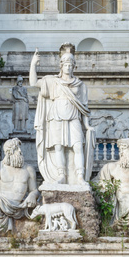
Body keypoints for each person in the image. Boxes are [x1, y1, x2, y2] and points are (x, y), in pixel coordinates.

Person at [30, 43, 93, 186]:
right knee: (58, 147)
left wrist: (87, 125)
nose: (69, 67)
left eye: (71, 65)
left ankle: (80, 177)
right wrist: (33, 64)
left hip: (73, 116)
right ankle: (61, 175)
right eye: (66, 65)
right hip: (56, 116)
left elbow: (84, 108)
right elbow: (33, 83)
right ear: (61, 66)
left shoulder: (80, 84)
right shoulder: (53, 81)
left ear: (74, 67)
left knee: (78, 146)